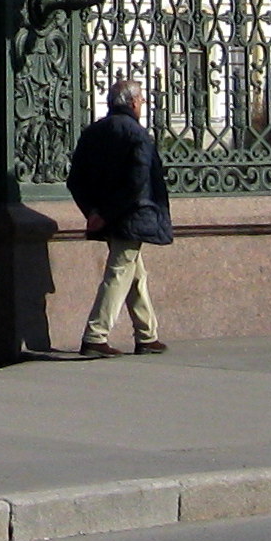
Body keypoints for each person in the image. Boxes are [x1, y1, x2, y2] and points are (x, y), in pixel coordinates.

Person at [66, 79, 172, 356]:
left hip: (107, 214)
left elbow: (76, 179)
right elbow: (138, 183)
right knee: (119, 272)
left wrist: (93, 212)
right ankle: (95, 336)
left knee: (135, 273)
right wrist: (109, 213)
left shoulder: (93, 132)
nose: (143, 105)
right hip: (131, 216)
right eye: (142, 101)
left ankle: (147, 334)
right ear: (134, 103)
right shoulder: (137, 134)